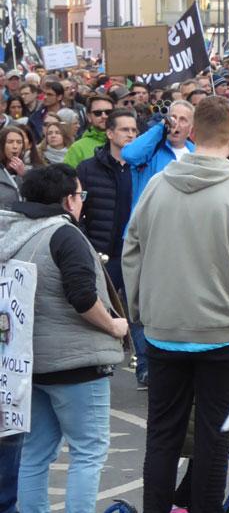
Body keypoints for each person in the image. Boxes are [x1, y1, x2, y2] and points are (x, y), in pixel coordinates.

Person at [119, 96, 229, 513]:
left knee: (161, 438)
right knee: (213, 440)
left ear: (192, 130)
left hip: (164, 331)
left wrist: (142, 310)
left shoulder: (158, 186)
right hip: (224, 336)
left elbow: (132, 249)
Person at [0, 164, 127, 513]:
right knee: (89, 452)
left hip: (29, 360)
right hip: (76, 362)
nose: (82, 203)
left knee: (36, 453)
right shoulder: (64, 234)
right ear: (67, 199)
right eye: (80, 195)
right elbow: (82, 297)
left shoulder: (14, 236)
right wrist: (115, 325)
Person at [75, 109, 141, 385]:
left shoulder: (141, 166)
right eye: (124, 129)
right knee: (102, 308)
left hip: (135, 252)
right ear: (110, 133)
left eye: (134, 130)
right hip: (103, 252)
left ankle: (144, 366)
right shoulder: (89, 168)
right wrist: (88, 243)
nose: (130, 135)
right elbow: (78, 211)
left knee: (138, 310)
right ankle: (99, 362)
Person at [121, 100, 195, 210]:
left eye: (183, 120)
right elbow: (129, 155)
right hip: (148, 221)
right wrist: (161, 127)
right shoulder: (152, 147)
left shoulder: (196, 152)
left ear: (191, 128)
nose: (176, 123)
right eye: (173, 117)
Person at [64, 95, 113, 168]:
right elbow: (67, 177)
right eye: (98, 113)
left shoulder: (127, 142)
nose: (104, 116)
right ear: (89, 117)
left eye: (108, 112)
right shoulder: (77, 148)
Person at [0, 125, 29, 208]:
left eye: (19, 142)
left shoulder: (30, 170)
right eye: (10, 142)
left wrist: (24, 175)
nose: (15, 146)